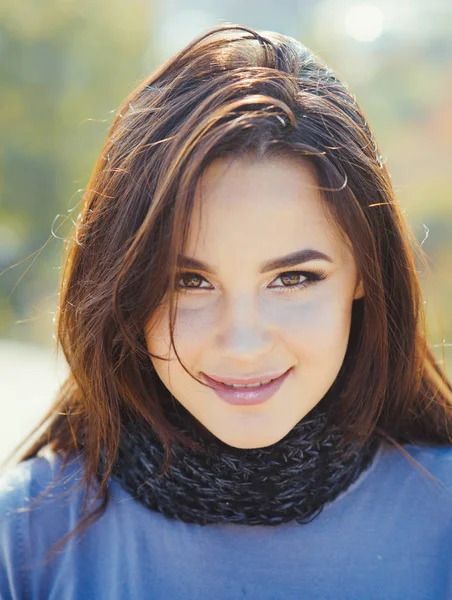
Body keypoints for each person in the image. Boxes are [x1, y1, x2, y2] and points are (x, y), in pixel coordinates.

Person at [1, 23, 451, 600]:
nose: (242, 343)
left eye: (293, 278)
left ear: (365, 273)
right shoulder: (28, 540)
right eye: (189, 282)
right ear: (122, 286)